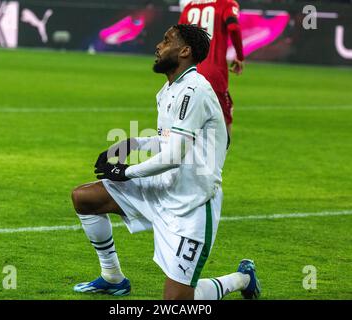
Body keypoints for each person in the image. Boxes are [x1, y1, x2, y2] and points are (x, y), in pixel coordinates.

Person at [71, 24, 260, 300]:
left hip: (191, 204)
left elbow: (173, 156)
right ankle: (113, 278)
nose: (158, 46)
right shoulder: (170, 89)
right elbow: (168, 141)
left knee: (178, 301)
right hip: (162, 188)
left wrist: (125, 171)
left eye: (166, 40)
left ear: (185, 51)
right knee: (84, 198)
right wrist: (133, 143)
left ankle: (242, 278)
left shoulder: (194, 90)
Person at [179, 0, 244, 136]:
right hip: (212, 73)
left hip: (187, 74)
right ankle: (220, 155)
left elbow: (178, 37)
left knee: (188, 120)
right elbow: (233, 27)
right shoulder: (226, 4)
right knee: (224, 117)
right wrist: (240, 56)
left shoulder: (190, 6)